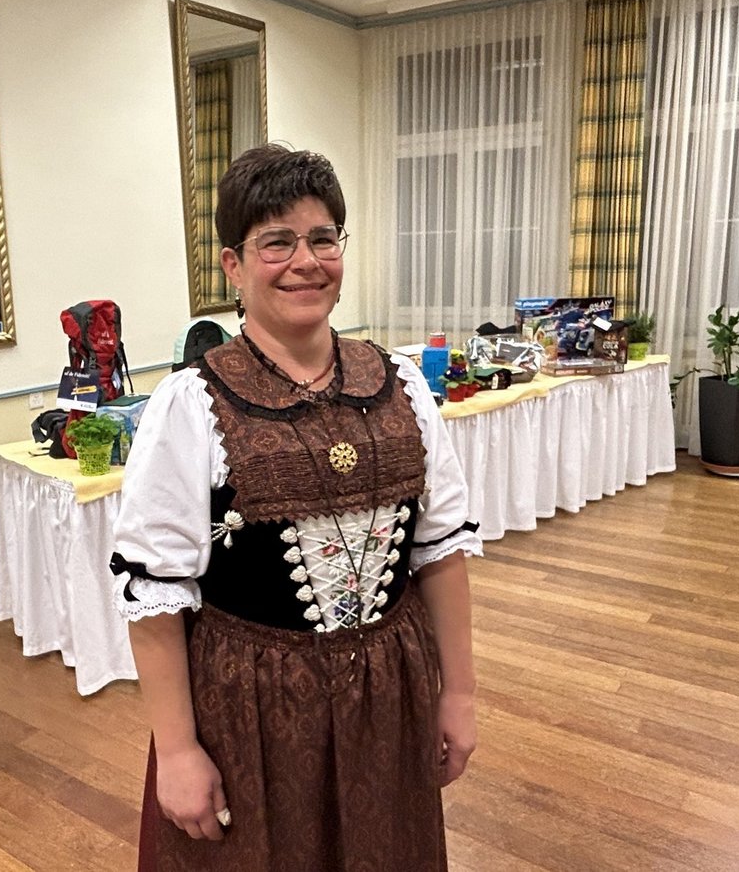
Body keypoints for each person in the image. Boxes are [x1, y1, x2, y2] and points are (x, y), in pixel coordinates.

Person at [110, 144, 479, 871]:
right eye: (276, 242)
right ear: (233, 265)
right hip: (251, 708)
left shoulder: (401, 383)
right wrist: (177, 750)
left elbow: (439, 552)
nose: (305, 261)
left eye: (322, 239)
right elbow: (156, 595)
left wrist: (459, 693)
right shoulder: (190, 404)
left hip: (389, 694)